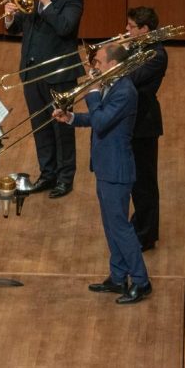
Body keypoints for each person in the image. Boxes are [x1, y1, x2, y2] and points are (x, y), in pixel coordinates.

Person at [52, 43, 151, 304]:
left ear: (113, 64)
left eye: (97, 63)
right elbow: (99, 120)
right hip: (105, 167)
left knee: (121, 228)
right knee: (110, 226)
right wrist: (71, 118)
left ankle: (141, 281)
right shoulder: (113, 85)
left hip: (117, 170)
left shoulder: (125, 91)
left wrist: (93, 93)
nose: (93, 68)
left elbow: (101, 121)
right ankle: (118, 276)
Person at [4, 0, 84, 198]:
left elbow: (65, 27)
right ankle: (47, 174)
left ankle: (65, 178)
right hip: (32, 73)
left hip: (59, 75)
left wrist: (45, 2)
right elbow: (18, 28)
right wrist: (9, 17)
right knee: (40, 128)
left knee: (62, 128)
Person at [124, 6, 168, 251]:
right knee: (135, 181)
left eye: (131, 27)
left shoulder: (156, 54)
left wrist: (116, 59)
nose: (126, 30)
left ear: (145, 29)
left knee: (145, 183)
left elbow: (130, 78)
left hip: (145, 124)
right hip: (133, 121)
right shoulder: (140, 46)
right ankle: (139, 223)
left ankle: (146, 235)